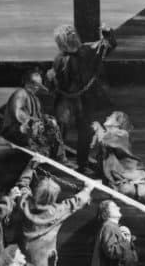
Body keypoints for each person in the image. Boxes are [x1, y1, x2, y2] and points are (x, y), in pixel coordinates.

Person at [14, 167, 93, 266]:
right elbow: (76, 202)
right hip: (40, 264)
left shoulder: (24, 202)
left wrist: (30, 167)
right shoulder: (57, 211)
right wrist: (87, 189)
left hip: (20, 258)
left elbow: (22, 185)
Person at [48, 23, 117, 172]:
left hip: (80, 100)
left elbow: (108, 45)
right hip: (70, 100)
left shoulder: (84, 51)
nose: (73, 36)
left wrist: (107, 34)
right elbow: (56, 81)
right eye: (69, 34)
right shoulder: (62, 58)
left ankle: (78, 164)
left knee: (81, 131)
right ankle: (61, 162)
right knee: (63, 130)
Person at [90, 111, 145, 209]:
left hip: (135, 174)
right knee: (127, 190)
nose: (107, 116)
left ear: (118, 123)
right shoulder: (108, 136)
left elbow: (104, 139)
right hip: (121, 177)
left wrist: (98, 127)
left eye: (111, 116)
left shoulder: (122, 134)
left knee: (143, 194)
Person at [0, 69, 65, 161]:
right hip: (16, 131)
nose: (36, 88)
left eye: (38, 86)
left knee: (52, 124)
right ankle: (48, 153)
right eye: (34, 85)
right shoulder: (20, 93)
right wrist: (33, 121)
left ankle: (59, 157)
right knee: (41, 128)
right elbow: (17, 113)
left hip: (30, 130)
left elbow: (39, 117)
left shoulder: (35, 99)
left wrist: (45, 119)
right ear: (27, 83)